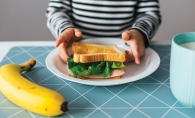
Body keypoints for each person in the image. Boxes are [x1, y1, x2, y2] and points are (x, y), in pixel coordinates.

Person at [46, 0, 161, 64]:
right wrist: (64, 29)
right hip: (76, 45)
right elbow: (56, 10)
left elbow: (149, 13)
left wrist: (139, 33)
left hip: (127, 49)